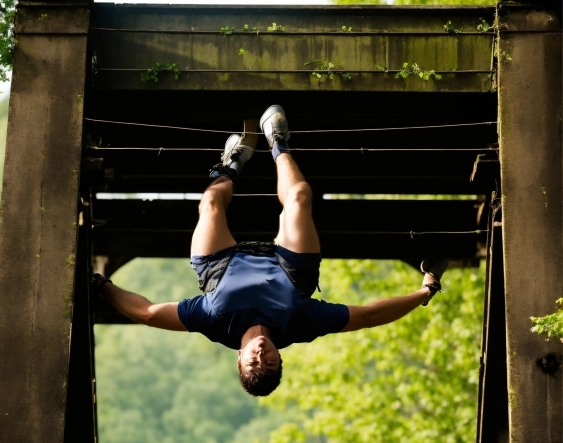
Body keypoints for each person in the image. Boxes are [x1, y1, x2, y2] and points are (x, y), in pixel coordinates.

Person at [92, 105, 446, 397]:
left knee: (212, 202)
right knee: (299, 198)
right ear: (280, 358)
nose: (261, 355)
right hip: (292, 269)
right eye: (270, 362)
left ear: (239, 359)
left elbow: (149, 313)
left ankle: (232, 162)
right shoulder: (300, 325)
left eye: (253, 362)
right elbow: (367, 316)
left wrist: (100, 285)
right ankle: (277, 141)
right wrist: (425, 291)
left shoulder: (214, 322)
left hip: (220, 266)